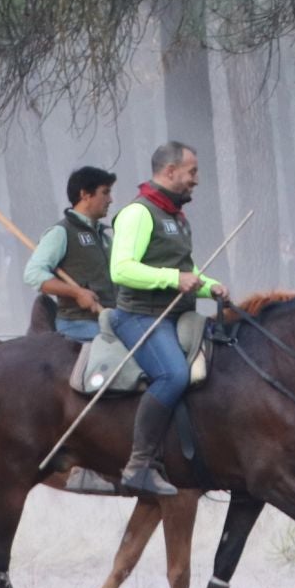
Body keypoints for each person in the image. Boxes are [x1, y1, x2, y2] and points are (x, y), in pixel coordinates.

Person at [108, 142, 231, 497]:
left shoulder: (176, 217)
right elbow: (122, 269)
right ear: (170, 171)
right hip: (139, 316)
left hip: (176, 315)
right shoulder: (138, 213)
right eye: (192, 172)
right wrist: (173, 280)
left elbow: (186, 270)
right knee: (173, 374)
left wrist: (210, 288)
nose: (196, 180)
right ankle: (139, 465)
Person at [21, 164, 118, 342]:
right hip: (78, 324)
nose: (110, 199)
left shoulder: (104, 236)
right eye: (105, 192)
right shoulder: (61, 232)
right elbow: (33, 274)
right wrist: (77, 293)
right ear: (85, 195)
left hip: (109, 320)